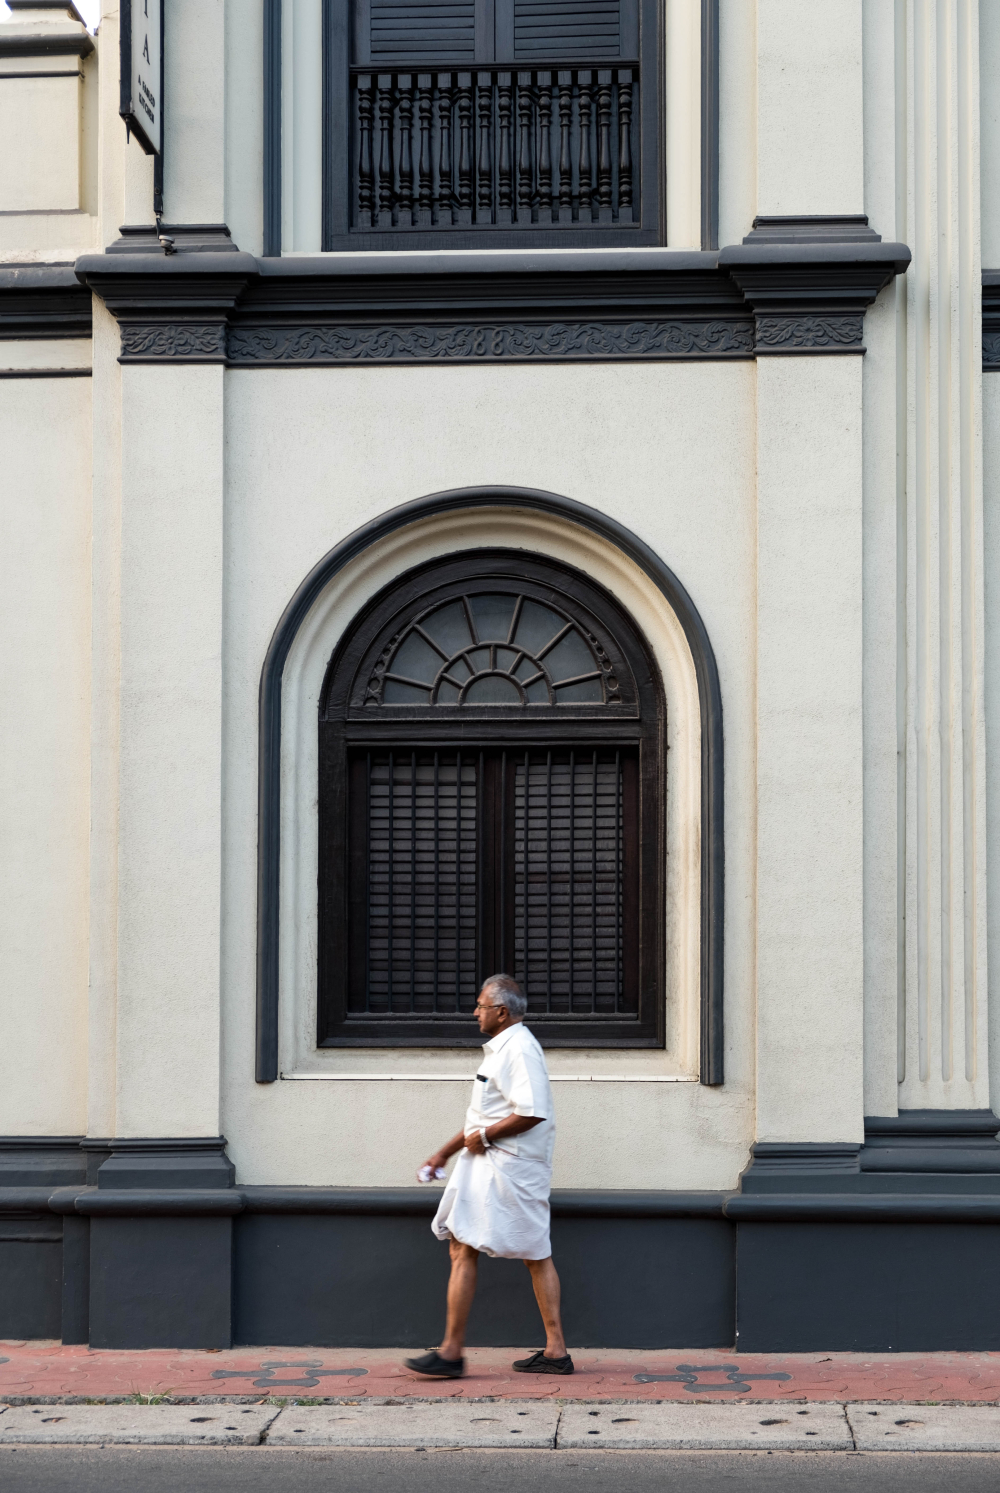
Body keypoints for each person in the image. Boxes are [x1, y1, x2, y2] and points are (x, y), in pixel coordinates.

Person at [404, 973, 573, 1379]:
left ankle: (457, 1352)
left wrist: (482, 1136)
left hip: (510, 1167)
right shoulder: (503, 1049)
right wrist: (445, 1152)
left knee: (532, 1253)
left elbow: (532, 1111)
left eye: (480, 1005)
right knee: (467, 1246)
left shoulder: (519, 1049)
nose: (474, 1011)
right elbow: (486, 1116)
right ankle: (464, 1350)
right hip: (494, 1164)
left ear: (501, 1012)